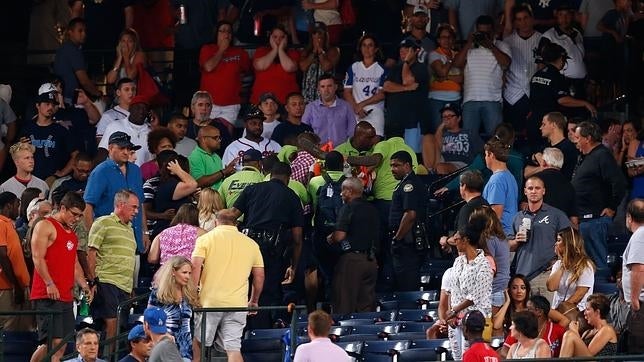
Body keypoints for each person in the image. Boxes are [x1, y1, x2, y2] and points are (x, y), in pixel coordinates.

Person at [229, 162, 304, 329]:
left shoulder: (252, 189)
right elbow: (297, 237)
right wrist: (294, 266)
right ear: (289, 177)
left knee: (244, 288)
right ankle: (260, 334)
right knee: (266, 292)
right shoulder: (291, 196)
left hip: (246, 246)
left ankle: (242, 332)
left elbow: (232, 215)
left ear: (269, 174)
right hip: (271, 252)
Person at [191, 209, 264, 362]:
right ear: (236, 223)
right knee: (233, 348)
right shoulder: (251, 244)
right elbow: (259, 276)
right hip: (237, 304)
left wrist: (193, 296)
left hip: (209, 303)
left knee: (199, 343)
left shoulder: (205, 239)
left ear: (216, 222)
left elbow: (195, 267)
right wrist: (254, 301)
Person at [30, 192, 92, 362]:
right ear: (62, 208)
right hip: (47, 294)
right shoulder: (45, 225)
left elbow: (73, 264)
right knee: (50, 343)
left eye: (80, 215)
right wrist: (49, 283)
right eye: (74, 214)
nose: (77, 219)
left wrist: (84, 284)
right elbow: (37, 257)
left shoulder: (70, 233)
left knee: (62, 344)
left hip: (65, 295)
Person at [87, 190, 140, 353]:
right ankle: (107, 358)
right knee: (111, 324)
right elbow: (91, 252)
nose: (136, 212)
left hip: (124, 286)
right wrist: (92, 281)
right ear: (120, 205)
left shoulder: (131, 229)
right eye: (134, 207)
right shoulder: (103, 223)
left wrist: (131, 287)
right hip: (106, 281)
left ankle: (111, 356)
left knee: (120, 327)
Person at [572, 121, 626, 276]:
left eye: (577, 137)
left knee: (599, 264)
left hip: (596, 220)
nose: (575, 141)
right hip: (585, 220)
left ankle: (604, 297)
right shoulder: (585, 157)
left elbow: (619, 183)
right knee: (588, 267)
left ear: (587, 138)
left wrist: (612, 207)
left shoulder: (602, 155)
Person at [84, 131, 148, 257]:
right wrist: (93, 240)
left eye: (128, 148)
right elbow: (88, 206)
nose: (126, 152)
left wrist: (145, 232)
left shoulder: (135, 170)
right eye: (121, 148)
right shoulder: (101, 171)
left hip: (135, 240)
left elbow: (140, 204)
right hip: (109, 242)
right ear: (110, 148)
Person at [527, 44, 597, 153]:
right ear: (560, 59)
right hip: (550, 124)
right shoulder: (557, 77)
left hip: (534, 121)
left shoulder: (536, 75)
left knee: (535, 154)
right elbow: (563, 100)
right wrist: (585, 103)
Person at [509, 175, 571, 299]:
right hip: (522, 278)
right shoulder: (518, 217)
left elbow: (570, 241)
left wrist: (559, 261)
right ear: (525, 191)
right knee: (524, 317)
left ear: (543, 191)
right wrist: (516, 240)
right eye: (530, 188)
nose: (533, 191)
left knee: (546, 315)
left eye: (537, 188)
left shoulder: (556, 215)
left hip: (545, 274)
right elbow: (508, 246)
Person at [453, 15, 511, 138]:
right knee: (468, 138)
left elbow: (506, 63)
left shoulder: (501, 45)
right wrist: (469, 42)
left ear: (493, 31)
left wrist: (491, 46)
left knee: (496, 139)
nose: (484, 35)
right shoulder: (469, 47)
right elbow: (457, 64)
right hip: (470, 99)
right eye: (481, 32)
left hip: (492, 99)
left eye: (487, 33)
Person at [328, 177, 380, 314]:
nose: (340, 194)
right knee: (366, 307)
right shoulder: (373, 208)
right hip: (371, 261)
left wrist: (330, 238)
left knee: (344, 305)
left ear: (350, 191)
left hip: (352, 262)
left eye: (342, 191)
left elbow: (340, 235)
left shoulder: (348, 207)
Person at [447, 214, 493, 360]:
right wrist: (450, 314)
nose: (455, 240)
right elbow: (451, 290)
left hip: (475, 321)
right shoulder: (458, 262)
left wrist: (455, 310)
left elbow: (475, 296)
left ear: (466, 240)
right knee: (457, 356)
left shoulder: (484, 265)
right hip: (455, 319)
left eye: (457, 238)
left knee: (471, 356)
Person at [389, 151, 428, 291]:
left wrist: (397, 239)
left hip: (407, 243)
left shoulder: (409, 185)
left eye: (396, 165)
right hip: (407, 242)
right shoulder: (406, 183)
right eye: (391, 166)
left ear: (407, 165)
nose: (392, 169)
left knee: (407, 284)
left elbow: (410, 215)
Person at [199, 20, 250, 126]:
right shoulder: (207, 49)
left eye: (229, 31)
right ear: (216, 34)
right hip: (209, 102)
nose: (226, 34)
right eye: (222, 31)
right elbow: (208, 67)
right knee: (207, 133)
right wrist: (221, 50)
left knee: (226, 134)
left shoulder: (240, 52)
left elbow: (247, 71)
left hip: (231, 103)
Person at [148, 256, 200, 360]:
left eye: (189, 273)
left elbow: (193, 324)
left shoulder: (189, 295)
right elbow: (149, 318)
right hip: (165, 348)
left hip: (186, 350)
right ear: (173, 271)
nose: (188, 277)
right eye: (184, 272)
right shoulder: (158, 294)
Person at [426, 24, 463, 170]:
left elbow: (462, 78)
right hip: (437, 98)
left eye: (449, 37)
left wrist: (444, 76)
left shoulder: (458, 54)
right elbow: (440, 72)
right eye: (443, 37)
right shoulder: (435, 54)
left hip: (455, 98)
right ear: (438, 40)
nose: (446, 40)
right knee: (439, 131)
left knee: (453, 132)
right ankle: (436, 165)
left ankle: (450, 163)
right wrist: (450, 61)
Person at [21, 86, 77, 181]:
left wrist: (62, 173)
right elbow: (15, 155)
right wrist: (20, 147)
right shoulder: (27, 128)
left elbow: (76, 155)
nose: (50, 107)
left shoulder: (61, 130)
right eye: (47, 104)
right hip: (29, 179)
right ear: (37, 105)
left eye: (53, 104)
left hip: (52, 181)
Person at [383, 39, 429, 152]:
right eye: (401, 50)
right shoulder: (395, 68)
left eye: (407, 50)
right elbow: (386, 86)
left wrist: (407, 62)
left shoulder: (421, 67)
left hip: (412, 120)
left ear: (416, 51)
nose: (403, 53)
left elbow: (406, 80)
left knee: (410, 154)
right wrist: (406, 89)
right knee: (393, 154)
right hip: (394, 120)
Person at [502, 5, 541, 133]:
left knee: (533, 131)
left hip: (534, 92)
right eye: (518, 19)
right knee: (513, 132)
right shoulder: (507, 41)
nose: (523, 22)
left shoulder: (542, 39)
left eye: (525, 18)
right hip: (512, 93)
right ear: (514, 22)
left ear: (532, 19)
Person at [343, 34, 387, 137]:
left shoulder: (381, 69)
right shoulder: (354, 67)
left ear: (376, 49)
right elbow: (347, 92)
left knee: (375, 142)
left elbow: (382, 94)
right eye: (364, 45)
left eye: (370, 45)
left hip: (375, 111)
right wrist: (356, 107)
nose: (367, 48)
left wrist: (361, 104)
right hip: (356, 113)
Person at [541, 3, 587, 99]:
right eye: (561, 14)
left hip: (581, 83)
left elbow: (581, 58)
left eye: (567, 14)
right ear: (556, 16)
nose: (564, 18)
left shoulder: (577, 33)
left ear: (572, 16)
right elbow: (542, 64)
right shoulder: (549, 36)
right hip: (563, 83)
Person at [0, 192, 30, 331]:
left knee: (16, 329)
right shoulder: (0, 223)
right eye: (17, 205)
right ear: (8, 205)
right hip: (6, 286)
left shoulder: (7, 224)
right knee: (7, 328)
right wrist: (15, 285)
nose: (19, 209)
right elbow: (2, 255)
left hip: (13, 285)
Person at [501, 295, 567, 358]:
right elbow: (504, 351)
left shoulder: (557, 330)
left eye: (529, 309)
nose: (526, 311)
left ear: (540, 312)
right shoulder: (520, 329)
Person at [53, 17, 102, 103]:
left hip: (63, 96)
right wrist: (98, 94)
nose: (84, 34)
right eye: (80, 31)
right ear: (70, 32)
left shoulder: (64, 48)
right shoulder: (73, 50)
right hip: (70, 98)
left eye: (85, 31)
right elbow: (84, 81)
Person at [301, 73, 356, 148]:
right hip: (317, 152)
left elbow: (352, 132)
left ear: (335, 87)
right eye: (323, 87)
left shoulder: (346, 107)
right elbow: (304, 132)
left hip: (341, 153)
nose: (326, 90)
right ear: (318, 89)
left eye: (329, 86)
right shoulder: (310, 107)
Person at [547, 227, 595, 311]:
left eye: (559, 240)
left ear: (568, 243)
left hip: (577, 312)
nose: (555, 244)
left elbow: (579, 294)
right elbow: (551, 287)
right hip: (558, 310)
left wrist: (561, 311)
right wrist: (562, 264)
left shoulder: (585, 265)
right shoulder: (558, 264)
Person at [250, 25, 300, 104]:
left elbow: (289, 67)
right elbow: (260, 66)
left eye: (282, 37)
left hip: (287, 103)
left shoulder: (293, 53)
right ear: (270, 38)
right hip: (261, 102)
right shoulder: (261, 51)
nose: (278, 40)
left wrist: (280, 50)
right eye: (275, 37)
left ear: (286, 38)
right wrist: (274, 50)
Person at [98, 95, 153, 167]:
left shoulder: (151, 132)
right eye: (138, 107)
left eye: (144, 109)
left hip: (141, 176)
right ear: (130, 109)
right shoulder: (115, 126)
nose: (141, 111)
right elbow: (103, 151)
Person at [150, 155, 198, 235]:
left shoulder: (170, 184)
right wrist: (178, 170)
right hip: (168, 233)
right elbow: (193, 184)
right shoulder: (170, 185)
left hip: (174, 232)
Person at [525, 112, 579, 181]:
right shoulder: (543, 148)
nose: (540, 128)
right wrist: (541, 164)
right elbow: (526, 173)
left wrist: (542, 167)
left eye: (544, 124)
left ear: (553, 125)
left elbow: (558, 175)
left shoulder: (569, 149)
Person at [433, 103, 483, 175]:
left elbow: (482, 151)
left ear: (459, 118)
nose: (447, 119)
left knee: (441, 167)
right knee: (440, 166)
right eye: (444, 116)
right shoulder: (441, 134)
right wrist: (440, 127)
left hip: (464, 166)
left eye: (450, 116)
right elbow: (436, 147)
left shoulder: (469, 133)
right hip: (445, 163)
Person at [482, 136, 518, 235]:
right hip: (508, 233)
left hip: (499, 236)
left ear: (491, 155)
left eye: (485, 155)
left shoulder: (496, 180)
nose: (485, 158)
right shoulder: (510, 176)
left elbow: (495, 214)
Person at [299, 22, 341, 103]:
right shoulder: (306, 51)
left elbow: (326, 67)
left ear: (325, 35)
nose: (317, 36)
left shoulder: (333, 50)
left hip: (326, 96)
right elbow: (303, 67)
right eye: (314, 33)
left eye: (320, 33)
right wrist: (314, 52)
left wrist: (320, 52)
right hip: (308, 96)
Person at [622, 198, 644, 354]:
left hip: (641, 305)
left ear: (629, 217)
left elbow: (639, 268)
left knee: (637, 352)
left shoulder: (639, 235)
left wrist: (635, 300)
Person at [189, 125, 235, 191]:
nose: (219, 140)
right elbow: (199, 182)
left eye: (219, 137)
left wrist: (227, 174)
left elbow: (219, 182)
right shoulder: (195, 156)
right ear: (204, 139)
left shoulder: (216, 156)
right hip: (205, 199)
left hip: (218, 198)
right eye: (215, 137)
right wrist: (224, 172)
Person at [96, 78, 137, 142]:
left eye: (133, 89)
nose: (131, 92)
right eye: (126, 90)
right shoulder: (108, 116)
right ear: (118, 92)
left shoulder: (141, 114)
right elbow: (100, 139)